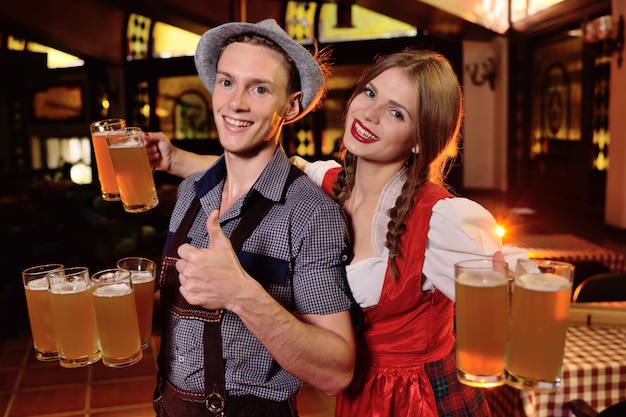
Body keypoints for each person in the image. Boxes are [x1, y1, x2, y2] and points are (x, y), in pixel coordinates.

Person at [147, 49, 527, 416]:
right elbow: (252, 169)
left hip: (421, 397)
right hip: (360, 396)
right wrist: (173, 159)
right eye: (370, 93)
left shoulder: (441, 219)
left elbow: (510, 290)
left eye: (396, 112)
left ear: (418, 139)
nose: (371, 114)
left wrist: (520, 286)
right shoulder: (327, 182)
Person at [151, 19, 356, 417]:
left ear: (291, 106)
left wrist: (241, 294)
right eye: (227, 82)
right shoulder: (190, 193)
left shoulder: (312, 214)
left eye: (259, 89)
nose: (235, 103)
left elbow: (337, 371)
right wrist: (127, 305)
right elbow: (179, 315)